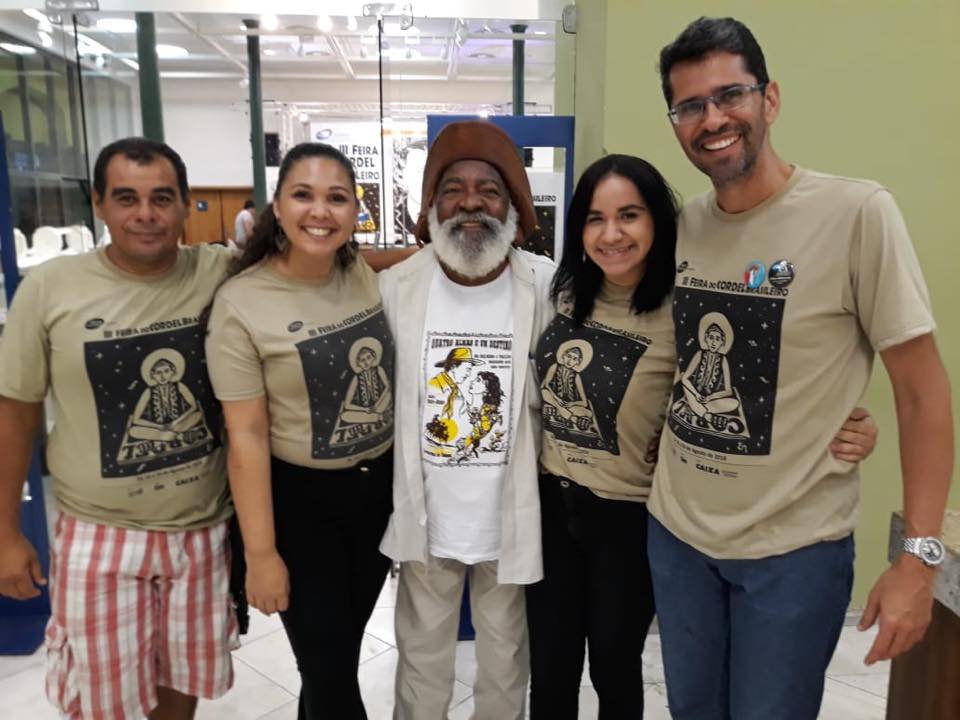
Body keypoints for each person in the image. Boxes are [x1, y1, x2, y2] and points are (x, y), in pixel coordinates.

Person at [648, 17, 954, 719]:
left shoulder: (857, 214)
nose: (712, 119)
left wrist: (918, 560)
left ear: (771, 99)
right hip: (679, 540)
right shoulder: (683, 227)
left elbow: (922, 393)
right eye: (690, 106)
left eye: (730, 95)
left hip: (793, 553)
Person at [525, 154, 878, 719]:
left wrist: (850, 420)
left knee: (614, 665)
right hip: (549, 504)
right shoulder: (561, 295)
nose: (611, 234)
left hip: (626, 517)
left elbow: (767, 382)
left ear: (657, 222)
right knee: (549, 666)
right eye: (595, 218)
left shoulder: (681, 307)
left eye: (629, 215)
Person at [0, 137, 236, 720]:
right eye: (127, 198)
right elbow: (15, 412)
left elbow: (315, 266)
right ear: (99, 203)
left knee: (182, 686)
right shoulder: (50, 288)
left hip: (202, 531)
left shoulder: (220, 271)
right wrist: (5, 533)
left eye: (162, 198)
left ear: (185, 204)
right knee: (102, 703)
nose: (145, 214)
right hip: (98, 534)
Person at [205, 143, 394, 720]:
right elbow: (246, 437)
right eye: (303, 195)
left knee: (331, 660)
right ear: (278, 206)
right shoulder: (241, 303)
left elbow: (405, 262)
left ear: (355, 210)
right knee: (331, 672)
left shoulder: (359, 272)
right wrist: (261, 554)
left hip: (377, 499)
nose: (320, 211)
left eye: (337, 198)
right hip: (300, 508)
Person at [378, 120, 555, 720]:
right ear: (431, 205)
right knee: (420, 665)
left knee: (505, 666)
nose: (471, 203)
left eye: (490, 190)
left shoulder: (544, 285)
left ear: (514, 208)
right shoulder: (396, 288)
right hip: (427, 520)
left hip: (509, 517)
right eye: (453, 189)